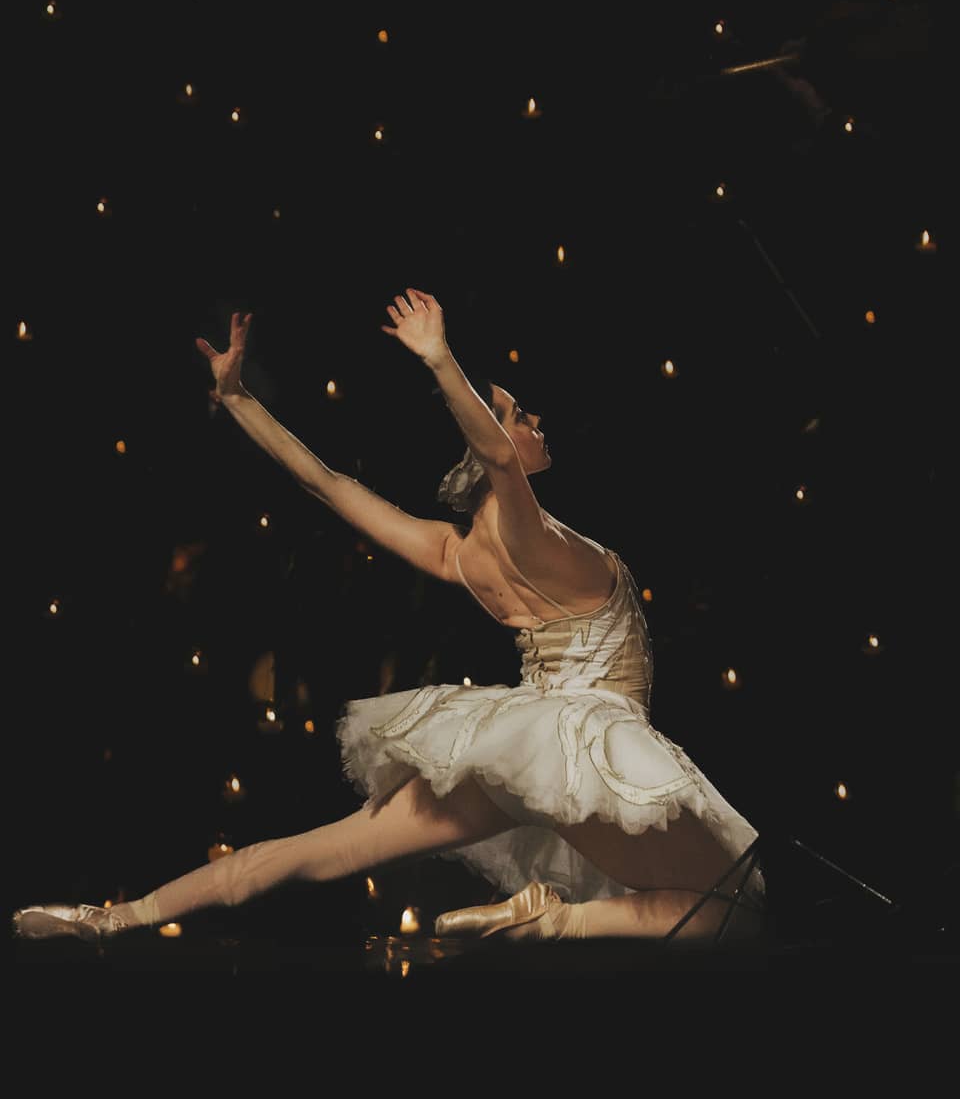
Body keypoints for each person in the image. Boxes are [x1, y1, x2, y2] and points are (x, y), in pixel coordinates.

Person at [12, 288, 769, 947]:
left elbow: (329, 485)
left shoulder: (457, 553)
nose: (535, 422)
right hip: (586, 747)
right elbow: (500, 462)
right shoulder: (541, 543)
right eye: (519, 415)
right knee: (736, 905)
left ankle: (113, 918)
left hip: (519, 750)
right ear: (494, 439)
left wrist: (239, 400)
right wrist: (441, 362)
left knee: (319, 850)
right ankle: (547, 921)